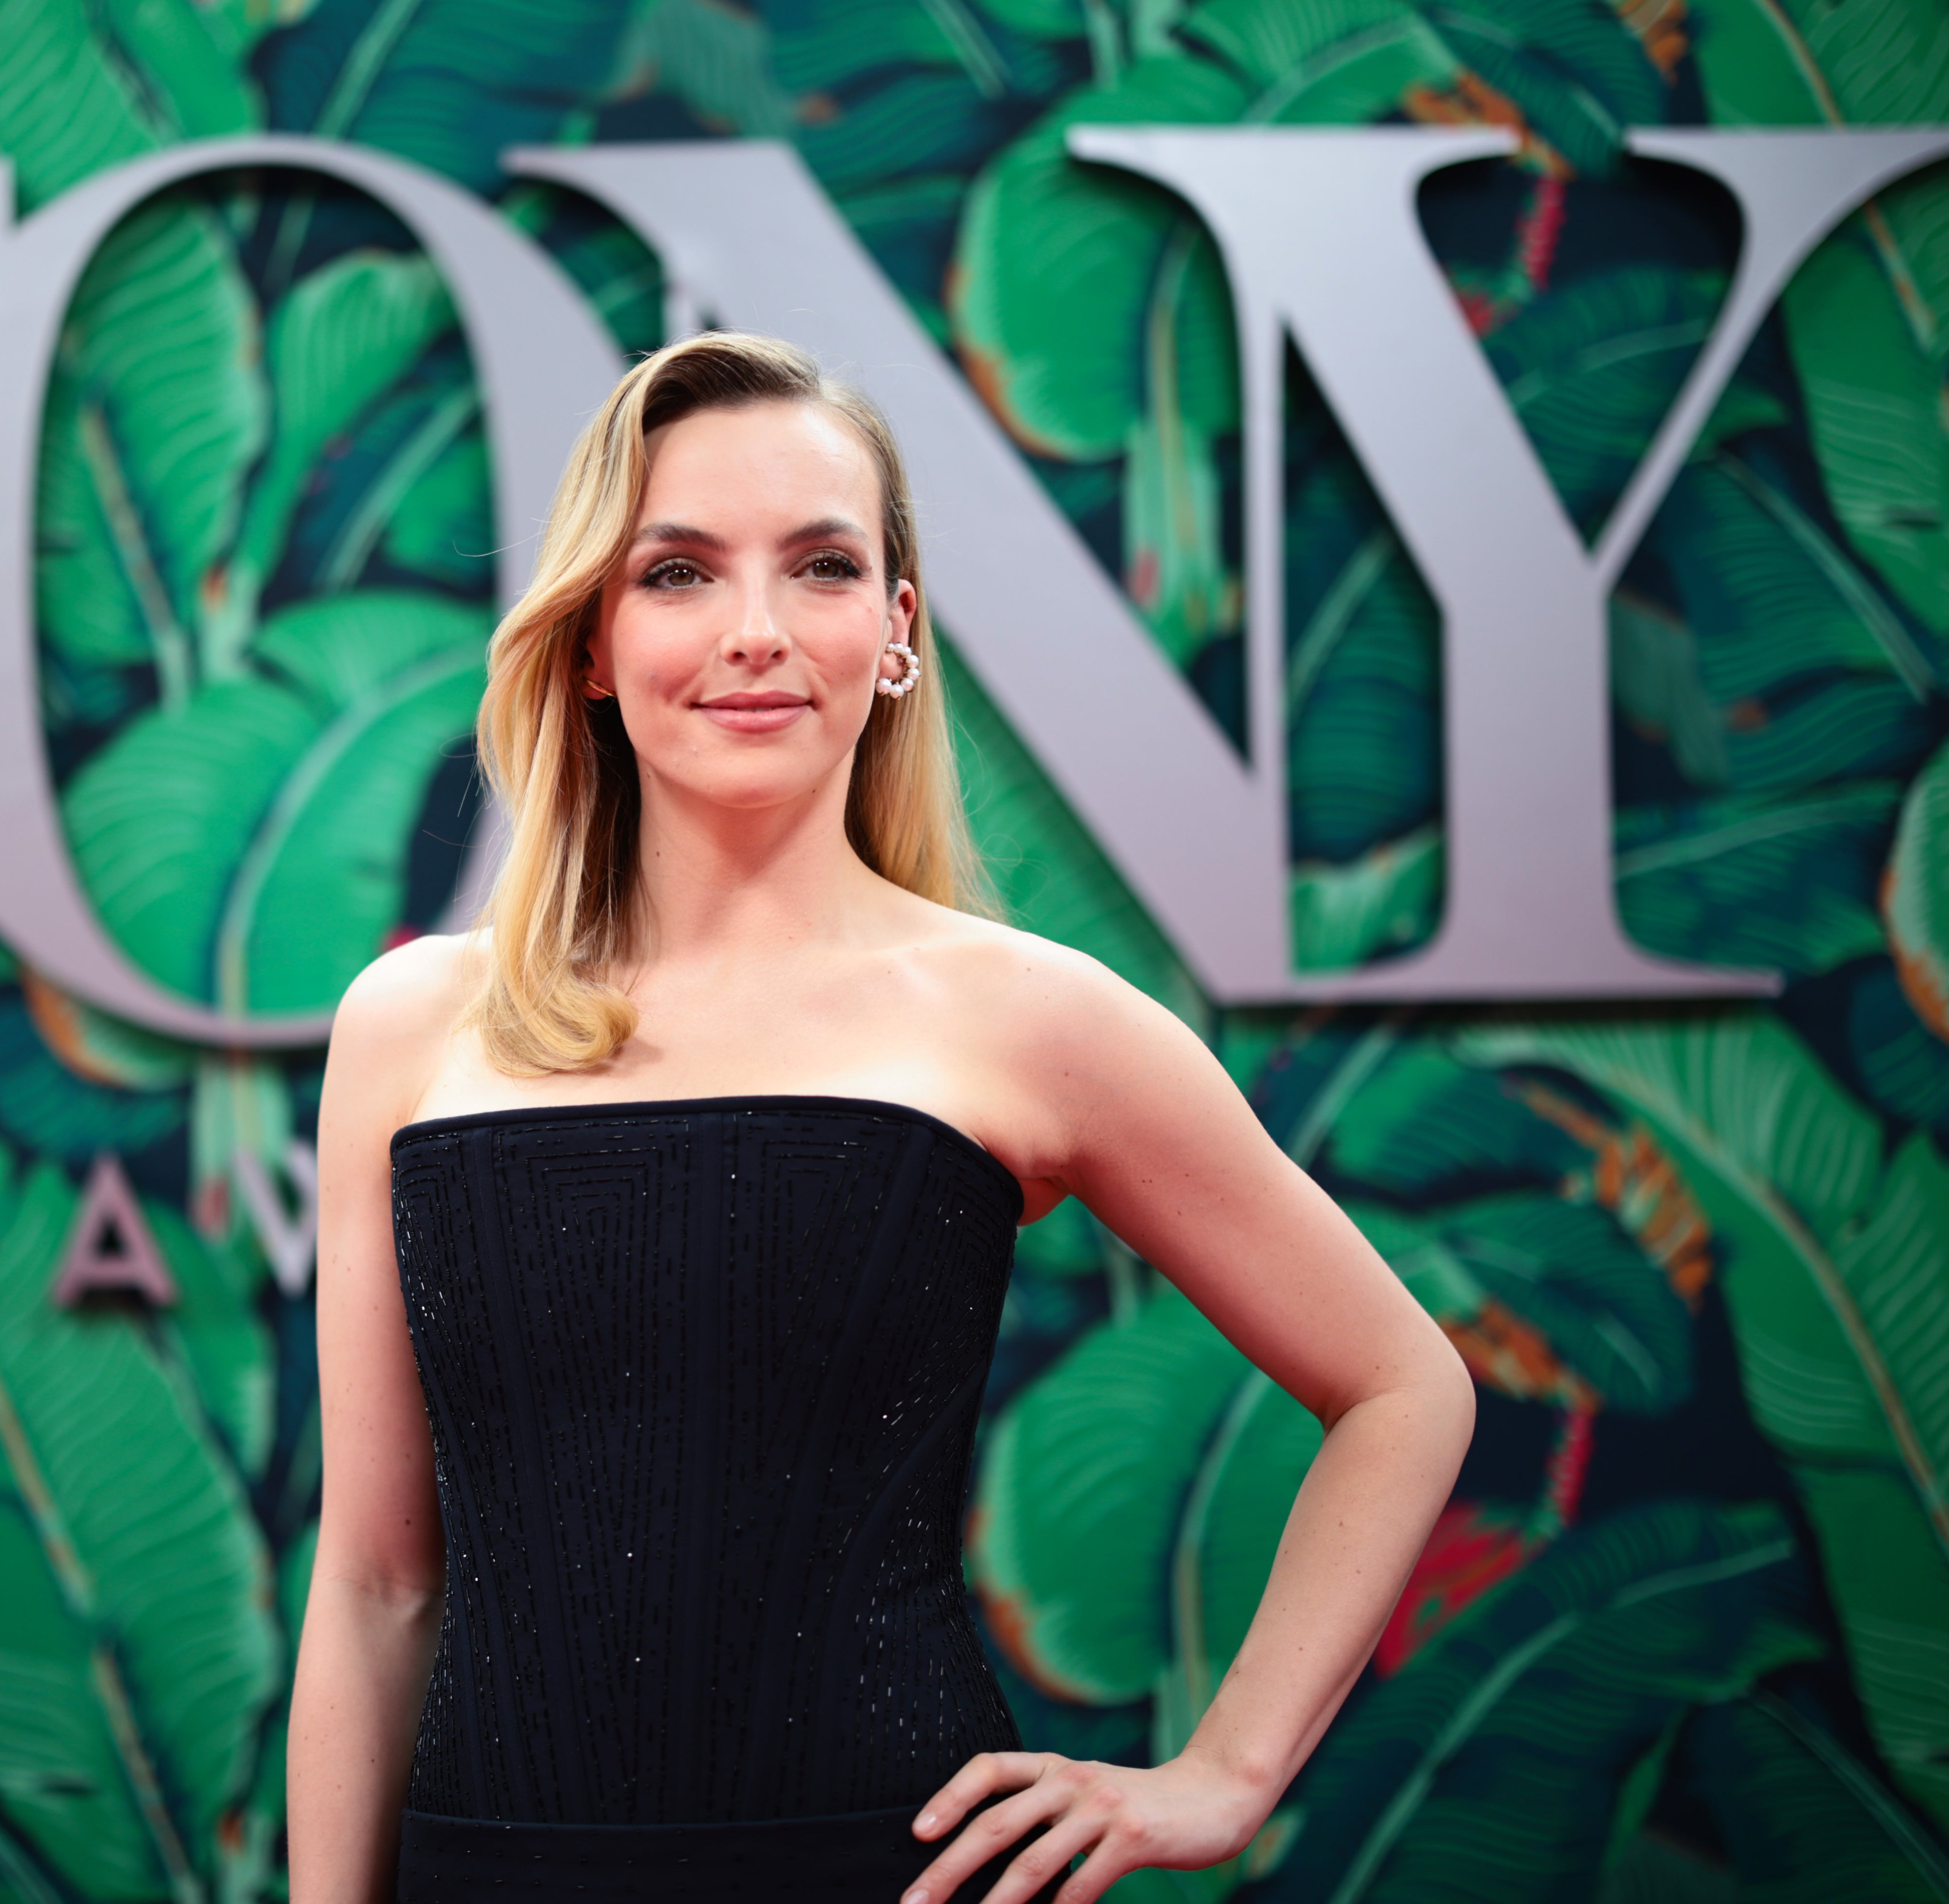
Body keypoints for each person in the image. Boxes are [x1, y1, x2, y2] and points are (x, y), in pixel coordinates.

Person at [285, 331, 1474, 1904]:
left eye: (823, 567)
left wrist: (1223, 1773)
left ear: (895, 631)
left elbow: (1402, 1384)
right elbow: (377, 1582)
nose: (757, 631)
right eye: (680, 573)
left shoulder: (1026, 1015)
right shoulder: (413, 1024)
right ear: (586, 639)